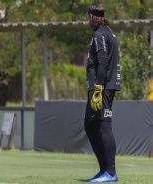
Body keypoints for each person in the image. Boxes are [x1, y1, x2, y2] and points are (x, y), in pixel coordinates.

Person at [84, 3, 121, 182]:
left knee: (103, 125)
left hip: (102, 87)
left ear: (91, 15)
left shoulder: (100, 34)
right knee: (91, 126)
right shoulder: (108, 32)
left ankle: (111, 172)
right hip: (103, 86)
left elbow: (103, 61)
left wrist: (98, 87)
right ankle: (104, 170)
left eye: (88, 16)